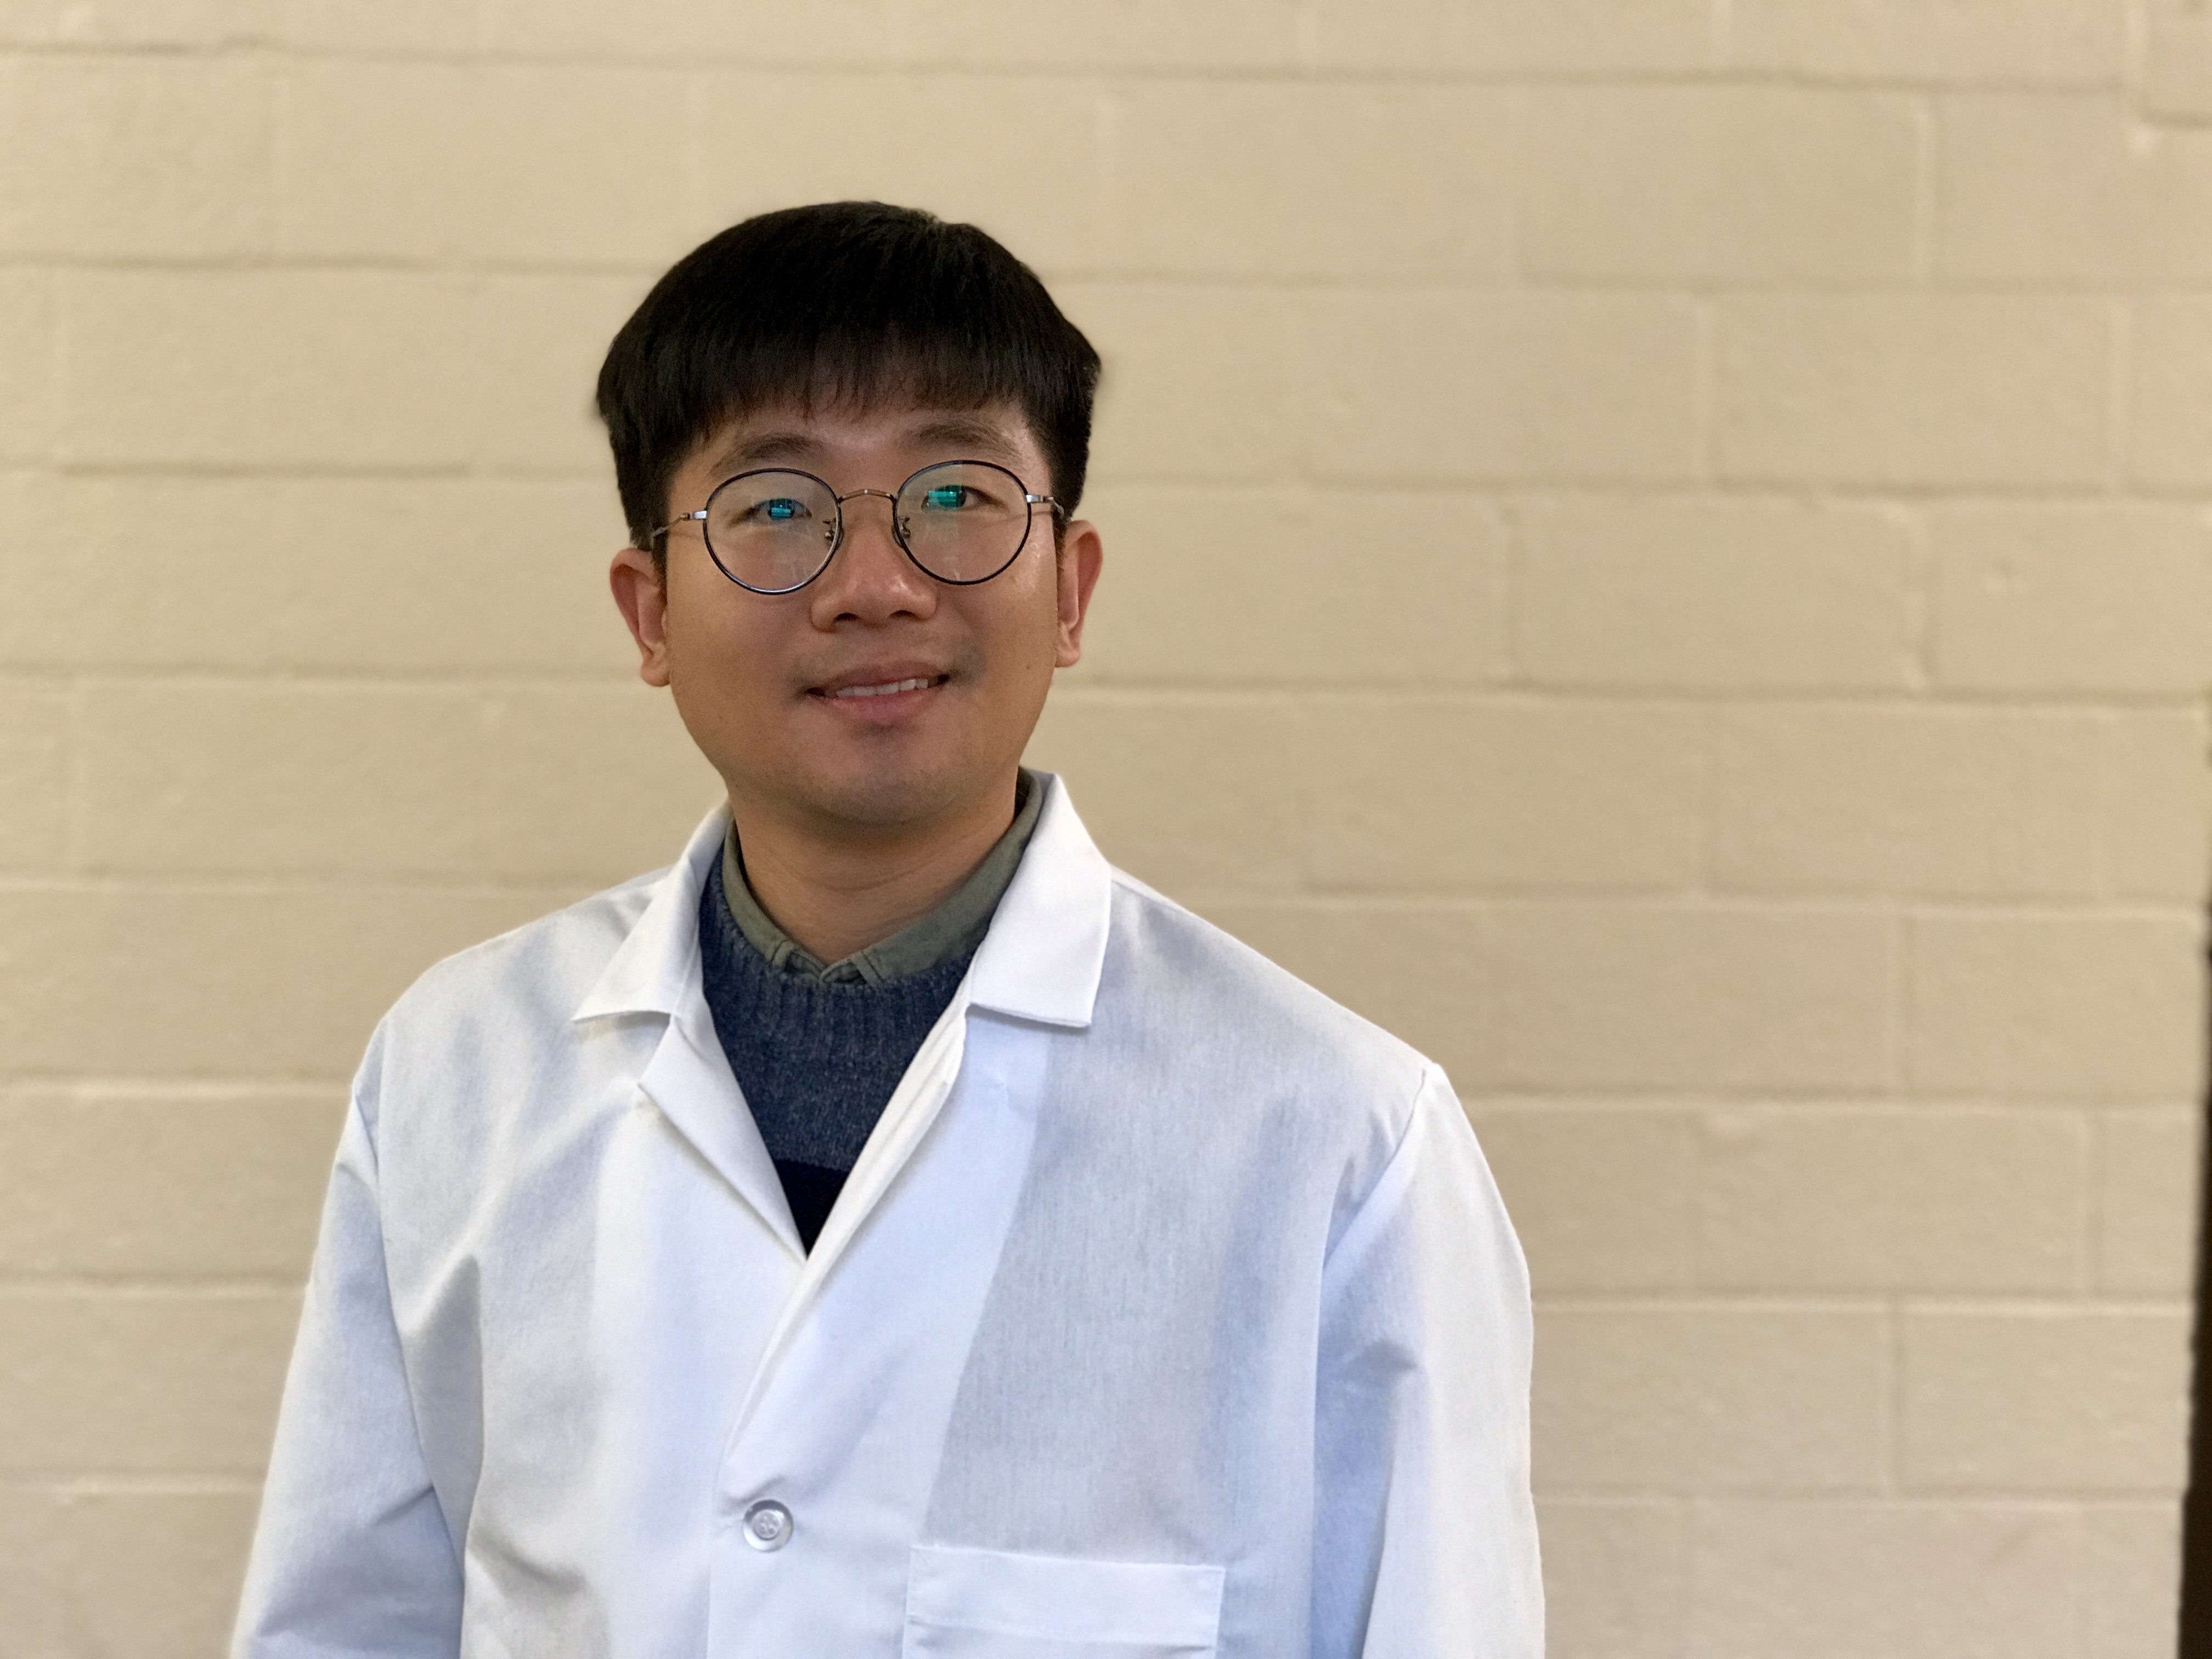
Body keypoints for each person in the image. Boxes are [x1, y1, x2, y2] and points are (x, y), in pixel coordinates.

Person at [232, 202, 1541, 1659]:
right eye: (776, 508)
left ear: (1071, 592)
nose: (876, 586)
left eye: (958, 493)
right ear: (650, 612)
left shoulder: (1339, 1141)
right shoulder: (455, 1073)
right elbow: (344, 1627)